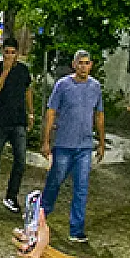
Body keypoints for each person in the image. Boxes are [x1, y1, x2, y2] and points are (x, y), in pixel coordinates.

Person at [40, 50, 105, 243]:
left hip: (84, 146)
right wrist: (46, 140)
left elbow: (99, 115)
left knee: (82, 188)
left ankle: (76, 229)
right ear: (74, 64)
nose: (84, 66)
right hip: (63, 144)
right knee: (54, 182)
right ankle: (41, 216)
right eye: (81, 63)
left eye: (87, 63)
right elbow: (51, 112)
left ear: (91, 65)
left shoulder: (95, 87)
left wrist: (101, 143)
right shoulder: (63, 86)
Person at [0, 37, 33, 213]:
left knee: (20, 160)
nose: (10, 55)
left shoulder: (23, 70)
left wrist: (31, 112)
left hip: (18, 121)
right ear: (2, 52)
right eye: (7, 52)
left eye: (13, 52)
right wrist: (5, 71)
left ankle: (11, 196)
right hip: (0, 121)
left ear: (18, 54)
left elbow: (28, 90)